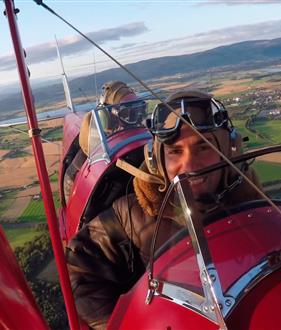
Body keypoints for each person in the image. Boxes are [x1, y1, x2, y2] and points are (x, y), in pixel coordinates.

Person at [66, 90, 263, 329]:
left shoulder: (253, 202)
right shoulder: (131, 213)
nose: (189, 166)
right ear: (156, 159)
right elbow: (79, 265)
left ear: (229, 151)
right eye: (175, 151)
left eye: (204, 148)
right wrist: (123, 323)